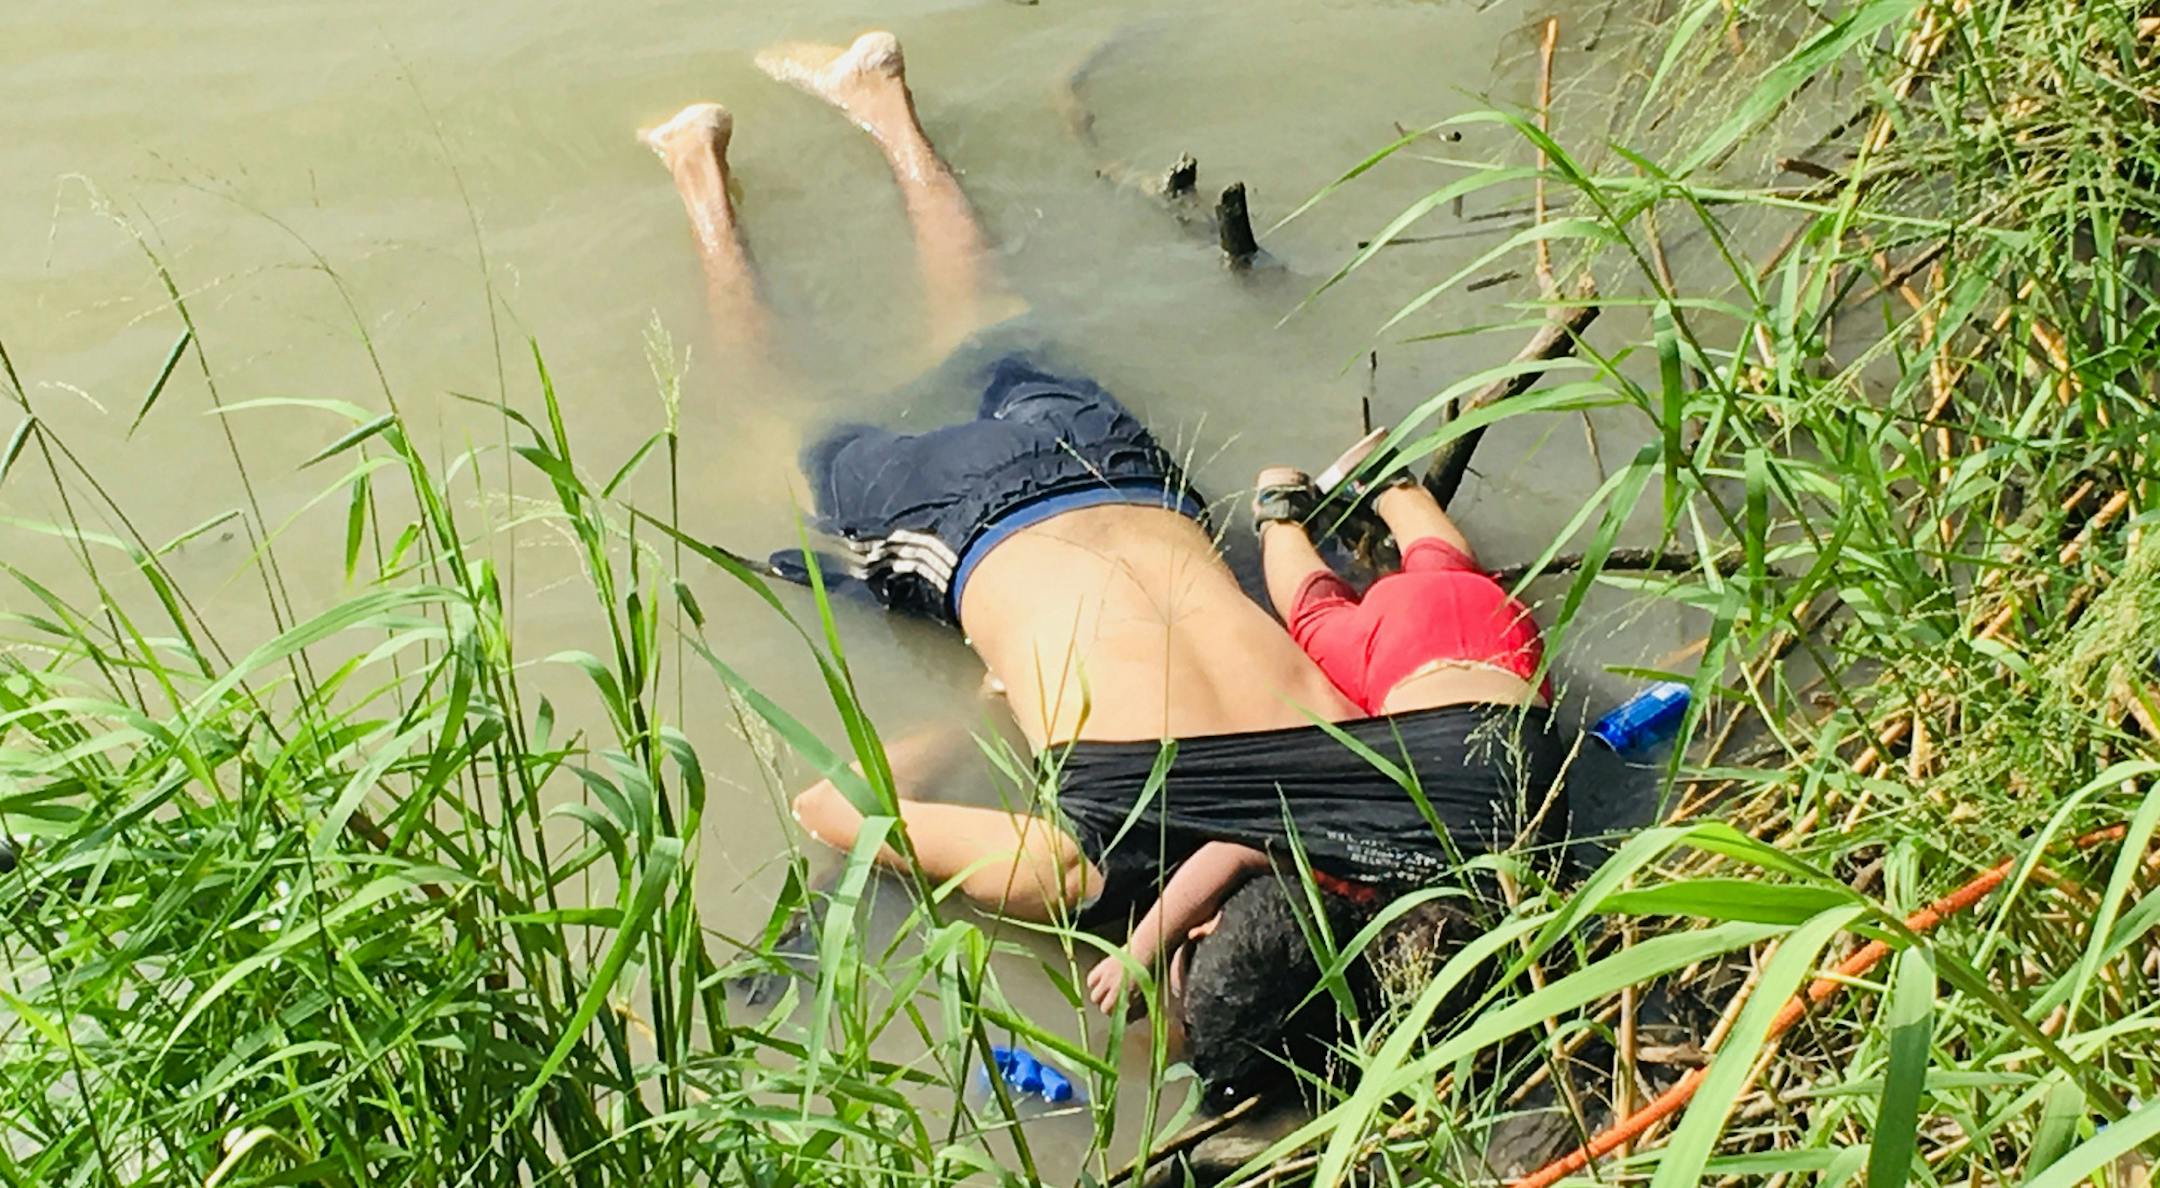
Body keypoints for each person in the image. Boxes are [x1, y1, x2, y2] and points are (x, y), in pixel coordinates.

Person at [645, 30, 1567, 974]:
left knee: (989, 320)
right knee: (783, 432)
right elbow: (827, 809)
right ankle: (697, 170)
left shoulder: (1393, 781)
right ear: (1197, 927)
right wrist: (979, 710)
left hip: (1135, 481)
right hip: (972, 523)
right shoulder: (1086, 870)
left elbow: (1454, 648)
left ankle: (882, 103)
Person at [1083, 440, 1562, 1016]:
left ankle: (1390, 486)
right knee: (1314, 616)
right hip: (1401, 656)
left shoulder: (1527, 886)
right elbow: (1233, 848)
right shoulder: (1371, 864)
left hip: (1504, 643)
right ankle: (1280, 511)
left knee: (1446, 568)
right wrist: (1140, 953)